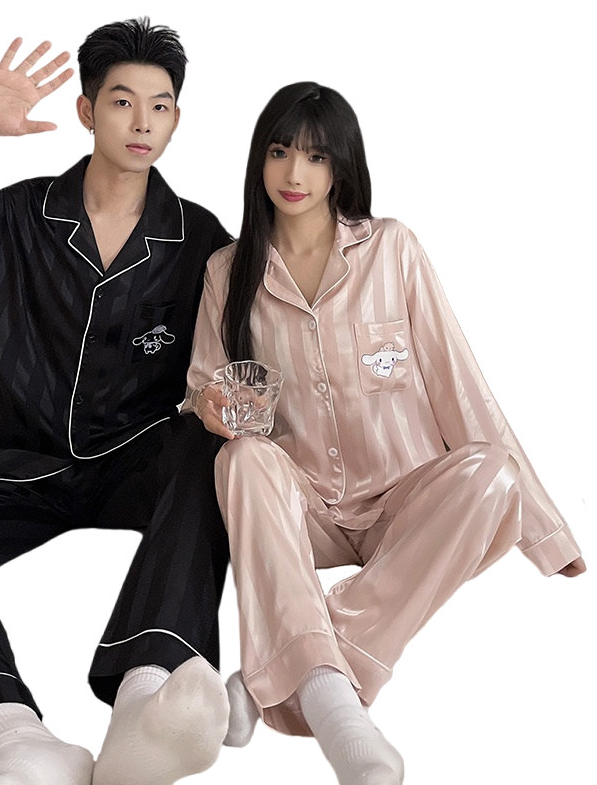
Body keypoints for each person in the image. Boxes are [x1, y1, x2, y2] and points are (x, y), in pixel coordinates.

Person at [0, 18, 233, 785]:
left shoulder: (200, 240)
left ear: (176, 120)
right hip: (13, 468)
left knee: (211, 452)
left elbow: (250, 344)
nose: (142, 122)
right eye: (122, 102)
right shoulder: (14, 218)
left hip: (136, 462)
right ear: (87, 111)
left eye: (159, 106)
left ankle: (146, 701)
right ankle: (13, 733)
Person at [186, 82, 586, 785]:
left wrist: (546, 534)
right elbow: (204, 382)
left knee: (494, 472)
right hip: (302, 510)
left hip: (403, 503)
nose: (294, 173)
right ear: (258, 160)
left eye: (315, 156)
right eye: (279, 152)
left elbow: (459, 383)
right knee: (242, 458)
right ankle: (336, 711)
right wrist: (212, 406)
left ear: (342, 166)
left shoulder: (392, 248)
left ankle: (274, 675)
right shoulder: (228, 270)